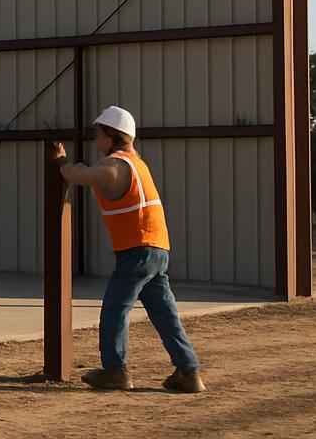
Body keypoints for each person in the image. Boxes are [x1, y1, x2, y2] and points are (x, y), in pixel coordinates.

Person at [51, 106, 206, 394]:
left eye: (99, 135)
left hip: (137, 250)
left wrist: (62, 165)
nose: (96, 142)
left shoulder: (117, 166)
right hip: (157, 251)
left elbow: (84, 175)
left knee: (114, 310)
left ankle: (115, 371)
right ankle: (189, 371)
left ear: (112, 136)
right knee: (164, 314)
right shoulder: (138, 164)